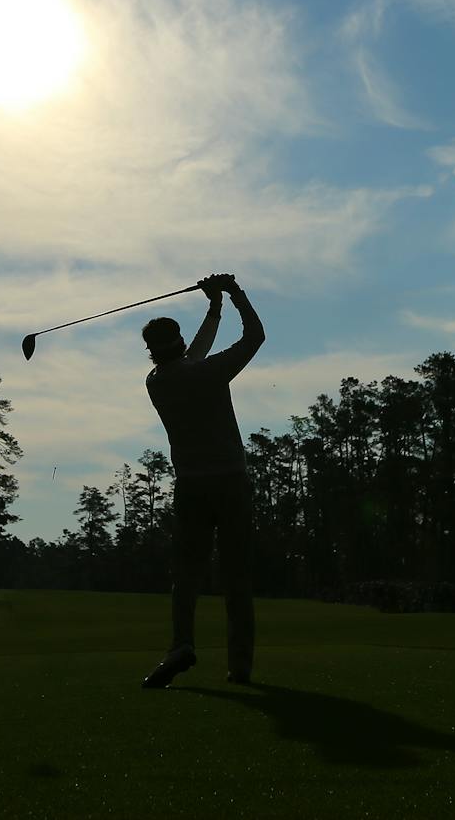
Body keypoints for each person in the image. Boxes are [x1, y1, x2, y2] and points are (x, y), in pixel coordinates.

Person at [139, 273, 264, 689]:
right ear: (177, 342)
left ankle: (181, 644)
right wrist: (233, 293)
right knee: (236, 577)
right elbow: (255, 336)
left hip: (189, 485)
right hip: (229, 481)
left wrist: (214, 307)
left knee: (187, 575)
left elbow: (191, 355)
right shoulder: (208, 373)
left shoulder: (156, 382)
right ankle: (240, 666)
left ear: (152, 351)